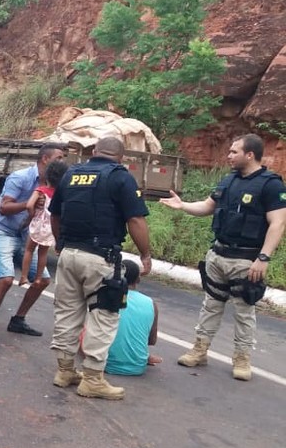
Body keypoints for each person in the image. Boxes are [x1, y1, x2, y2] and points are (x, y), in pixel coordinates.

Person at [159, 133, 286, 381]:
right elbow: (208, 207)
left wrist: (263, 258)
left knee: (244, 311)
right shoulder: (228, 180)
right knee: (211, 305)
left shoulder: (271, 185)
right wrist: (183, 205)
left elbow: (278, 223)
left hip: (246, 259)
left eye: (234, 151)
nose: (228, 156)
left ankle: (241, 358)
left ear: (249, 155)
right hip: (218, 254)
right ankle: (200, 349)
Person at [49, 136, 152, 400]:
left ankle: (65, 371)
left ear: (94, 151)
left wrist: (61, 244)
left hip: (69, 254)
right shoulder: (121, 177)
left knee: (68, 313)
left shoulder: (71, 174)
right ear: (121, 157)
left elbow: (56, 213)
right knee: (103, 315)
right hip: (100, 258)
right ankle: (93, 379)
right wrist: (146, 254)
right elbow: (135, 219)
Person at [0, 144, 66, 344]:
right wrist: (30, 205)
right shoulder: (21, 177)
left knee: (43, 280)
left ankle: (18, 319)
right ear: (45, 159)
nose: (62, 162)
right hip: (5, 231)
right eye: (59, 157)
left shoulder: (55, 184)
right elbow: (4, 208)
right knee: (7, 279)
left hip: (29, 236)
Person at [103, 260, 162, 376]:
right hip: (138, 366)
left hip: (106, 364)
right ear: (138, 280)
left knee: (83, 329)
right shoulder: (151, 303)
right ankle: (138, 356)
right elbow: (151, 341)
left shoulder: (106, 295)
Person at [19, 160, 68, 286]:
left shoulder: (40, 190)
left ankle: (24, 276)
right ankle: (39, 278)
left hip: (37, 224)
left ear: (47, 176)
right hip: (50, 227)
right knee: (43, 253)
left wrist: (32, 214)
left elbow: (30, 205)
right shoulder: (61, 195)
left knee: (29, 250)